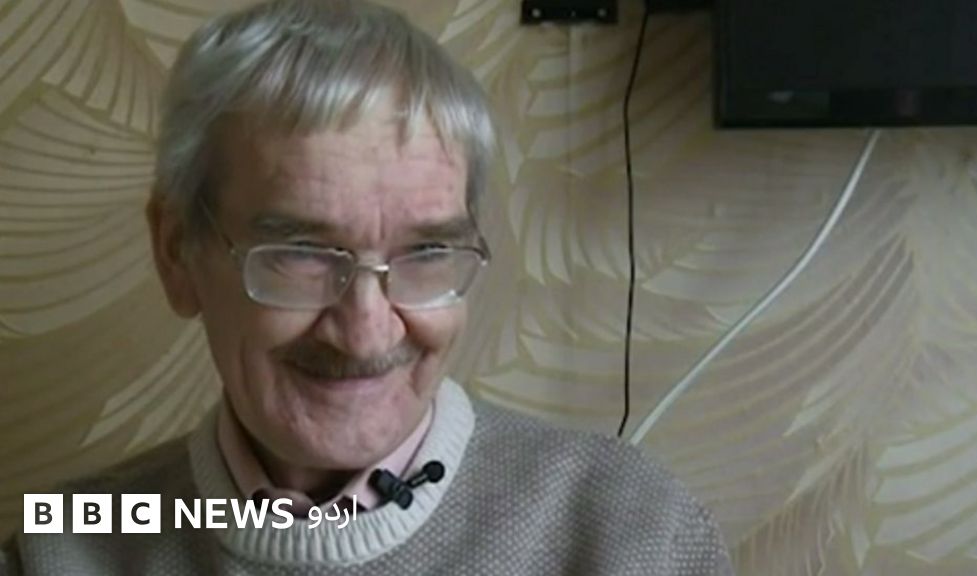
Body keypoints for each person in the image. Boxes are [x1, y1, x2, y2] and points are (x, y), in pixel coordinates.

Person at [3, 1, 733, 574]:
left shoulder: (628, 529)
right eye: (301, 254)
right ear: (176, 254)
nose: (365, 332)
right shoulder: (64, 545)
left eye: (427, 252)